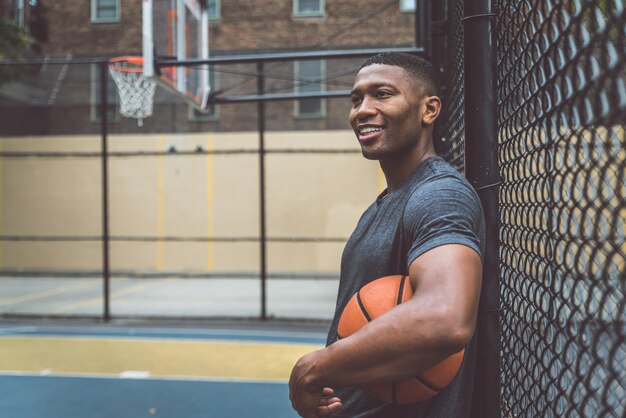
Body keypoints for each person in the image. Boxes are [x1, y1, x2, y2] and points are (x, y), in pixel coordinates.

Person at [289, 52, 486, 418]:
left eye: (382, 94)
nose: (362, 110)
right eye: (356, 99)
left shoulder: (439, 194)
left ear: (429, 110)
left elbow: (445, 317)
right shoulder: (389, 200)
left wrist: (317, 367)